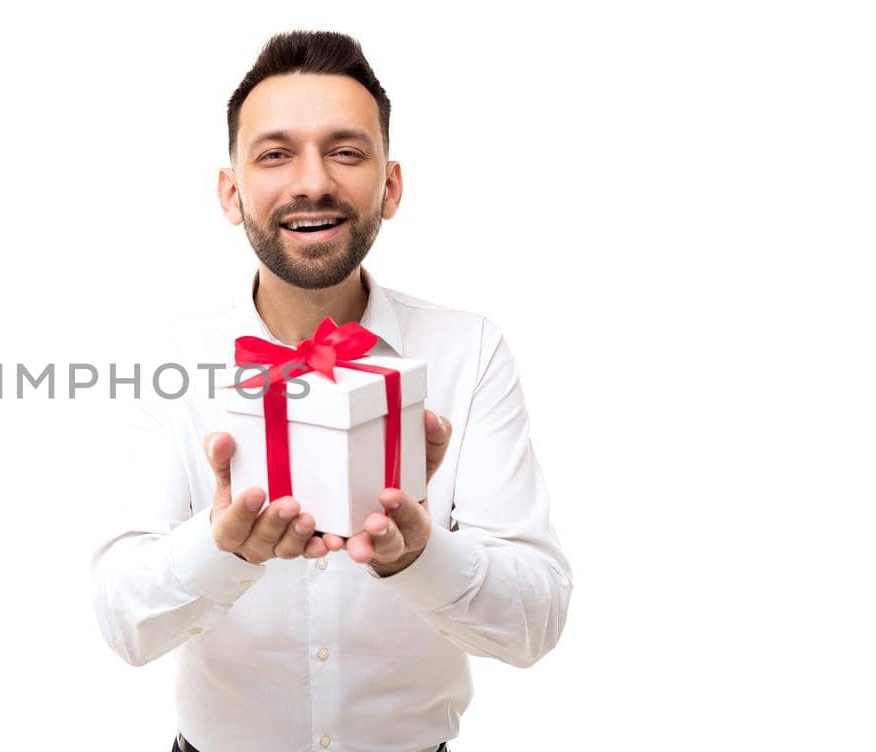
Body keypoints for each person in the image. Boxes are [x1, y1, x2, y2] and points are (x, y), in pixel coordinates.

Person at [89, 31, 573, 752]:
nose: (312, 181)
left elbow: (536, 625)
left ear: (392, 184)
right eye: (275, 153)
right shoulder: (173, 358)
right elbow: (124, 624)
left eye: (346, 152)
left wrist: (419, 557)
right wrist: (222, 549)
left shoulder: (469, 351)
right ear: (232, 192)